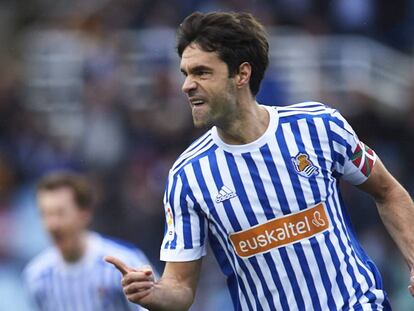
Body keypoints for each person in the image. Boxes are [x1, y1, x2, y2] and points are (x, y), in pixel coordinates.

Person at [105, 11, 414, 310]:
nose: (187, 85)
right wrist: (152, 293)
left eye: (202, 72)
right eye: (185, 74)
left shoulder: (319, 126)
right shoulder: (188, 177)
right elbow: (181, 288)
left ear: (242, 73)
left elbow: (387, 191)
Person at [23, 171, 153, 311]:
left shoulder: (124, 263)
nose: (52, 224)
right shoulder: (36, 276)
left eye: (60, 213)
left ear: (85, 214)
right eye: (45, 214)